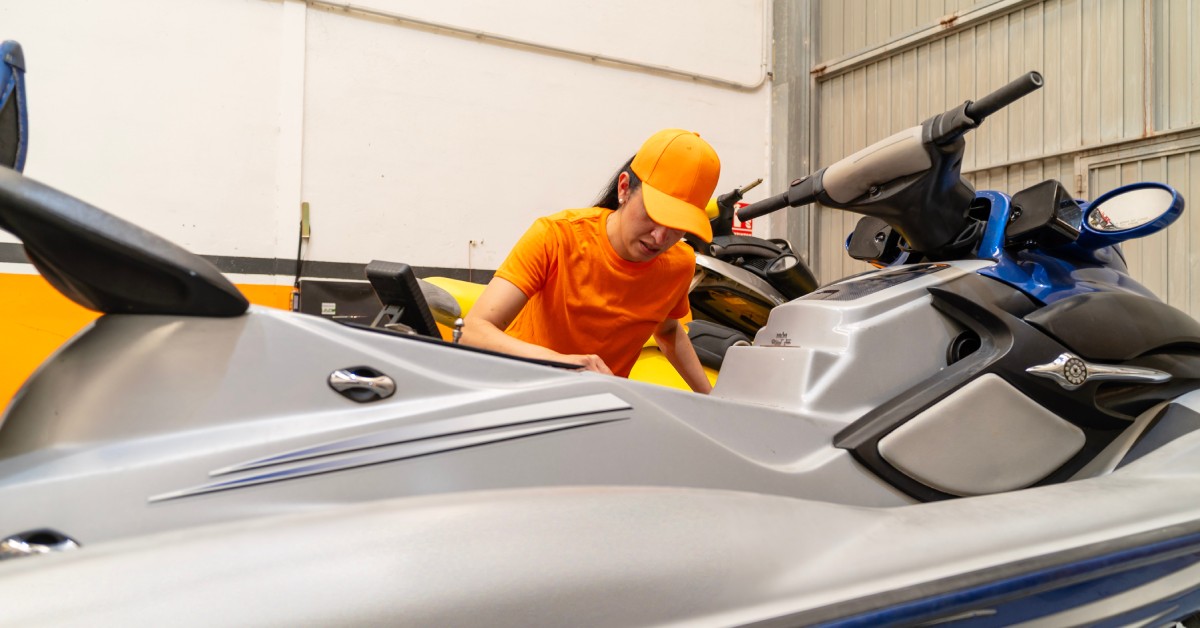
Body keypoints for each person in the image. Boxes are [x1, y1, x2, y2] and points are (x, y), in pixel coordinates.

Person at [460, 128, 718, 393]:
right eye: (653, 215)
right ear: (624, 188)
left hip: (599, 403)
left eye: (678, 226)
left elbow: (668, 330)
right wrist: (561, 363)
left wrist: (712, 398)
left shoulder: (679, 264)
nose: (660, 238)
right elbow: (473, 330)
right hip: (521, 389)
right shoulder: (556, 237)